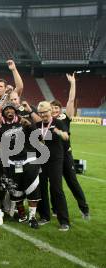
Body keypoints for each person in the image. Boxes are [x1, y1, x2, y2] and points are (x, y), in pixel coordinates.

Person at [50, 73, 89, 219]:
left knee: (72, 182)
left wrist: (72, 83)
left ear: (59, 109)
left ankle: (84, 209)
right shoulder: (48, 121)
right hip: (54, 156)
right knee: (55, 185)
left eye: (56, 108)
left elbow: (71, 99)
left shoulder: (66, 118)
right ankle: (55, 209)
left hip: (66, 155)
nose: (54, 110)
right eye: (52, 108)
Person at [36, 101, 71, 231]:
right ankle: (45, 216)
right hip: (42, 160)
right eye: (41, 113)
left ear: (50, 110)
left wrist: (60, 133)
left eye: (45, 112)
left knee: (57, 189)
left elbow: (66, 136)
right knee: (42, 189)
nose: (43, 115)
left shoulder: (58, 123)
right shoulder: (37, 125)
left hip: (55, 160)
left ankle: (64, 221)